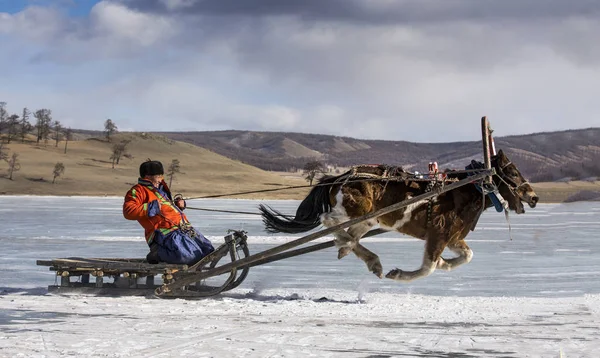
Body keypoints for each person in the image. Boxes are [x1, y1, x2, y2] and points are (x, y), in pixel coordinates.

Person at [123, 160, 214, 265]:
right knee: (188, 256)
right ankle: (157, 253)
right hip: (164, 234)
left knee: (208, 250)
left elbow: (166, 210)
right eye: (158, 176)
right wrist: (151, 207)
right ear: (147, 176)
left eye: (161, 176)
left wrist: (178, 205)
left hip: (184, 229)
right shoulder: (138, 191)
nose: (161, 179)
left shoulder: (160, 189)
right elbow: (128, 211)